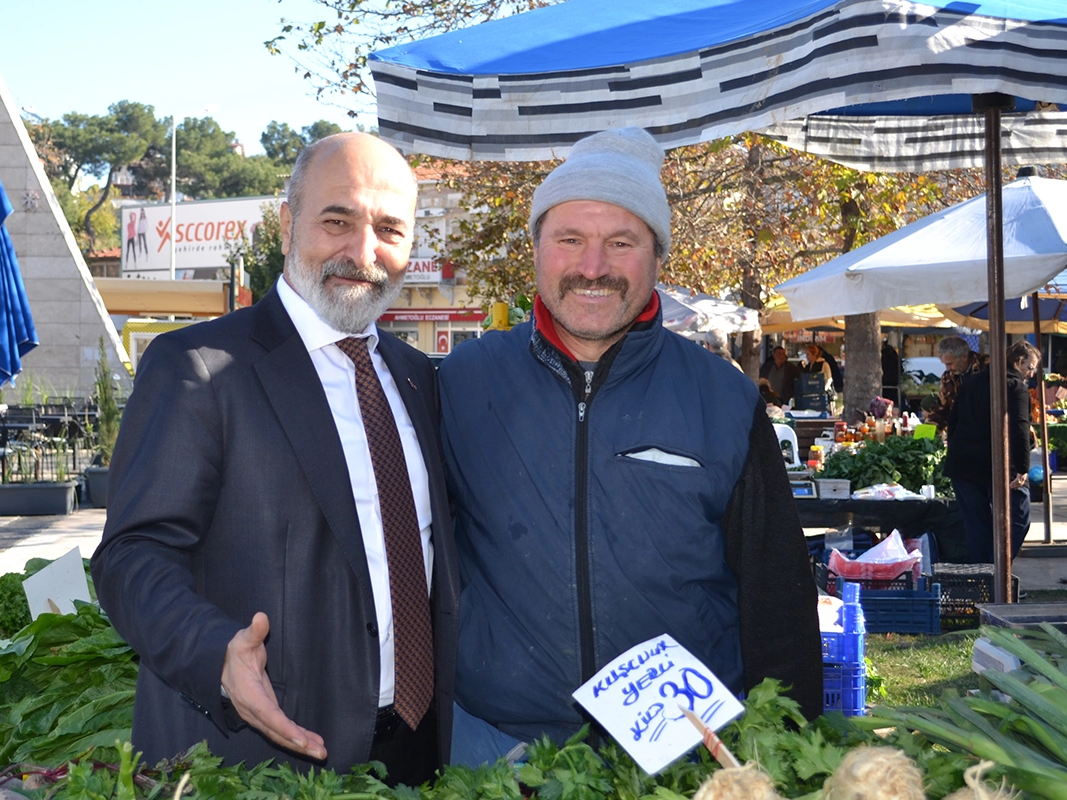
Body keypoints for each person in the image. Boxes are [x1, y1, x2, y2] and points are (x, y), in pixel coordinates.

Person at [437, 127, 822, 766]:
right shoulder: (457, 385)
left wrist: (787, 747)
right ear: (535, 250)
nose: (594, 267)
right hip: (495, 750)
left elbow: (776, 591)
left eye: (621, 243)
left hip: (687, 751)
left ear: (657, 258)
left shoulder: (723, 398)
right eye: (570, 240)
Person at [91, 133, 458, 784]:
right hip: (257, 759)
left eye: (388, 229)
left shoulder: (417, 378)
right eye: (337, 220)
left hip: (415, 754)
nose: (362, 252)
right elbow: (130, 556)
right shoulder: (199, 369)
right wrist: (216, 654)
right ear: (288, 222)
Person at [944, 341, 1039, 564]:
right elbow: (1019, 427)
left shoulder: (972, 381)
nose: (1031, 373)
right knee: (1019, 515)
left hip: (963, 464)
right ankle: (997, 569)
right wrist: (1023, 468)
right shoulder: (1015, 387)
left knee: (977, 525)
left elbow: (953, 421)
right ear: (1018, 362)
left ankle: (984, 576)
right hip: (996, 463)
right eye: (1030, 367)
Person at [925, 336, 987, 433]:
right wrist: (925, 433)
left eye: (950, 364)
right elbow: (942, 409)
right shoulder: (948, 377)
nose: (947, 368)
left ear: (964, 357)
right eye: (945, 364)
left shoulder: (988, 367)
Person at [881, 341, 901, 406]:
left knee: (884, 401)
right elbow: (901, 368)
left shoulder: (882, 354)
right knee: (893, 401)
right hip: (894, 381)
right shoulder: (894, 354)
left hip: (884, 381)